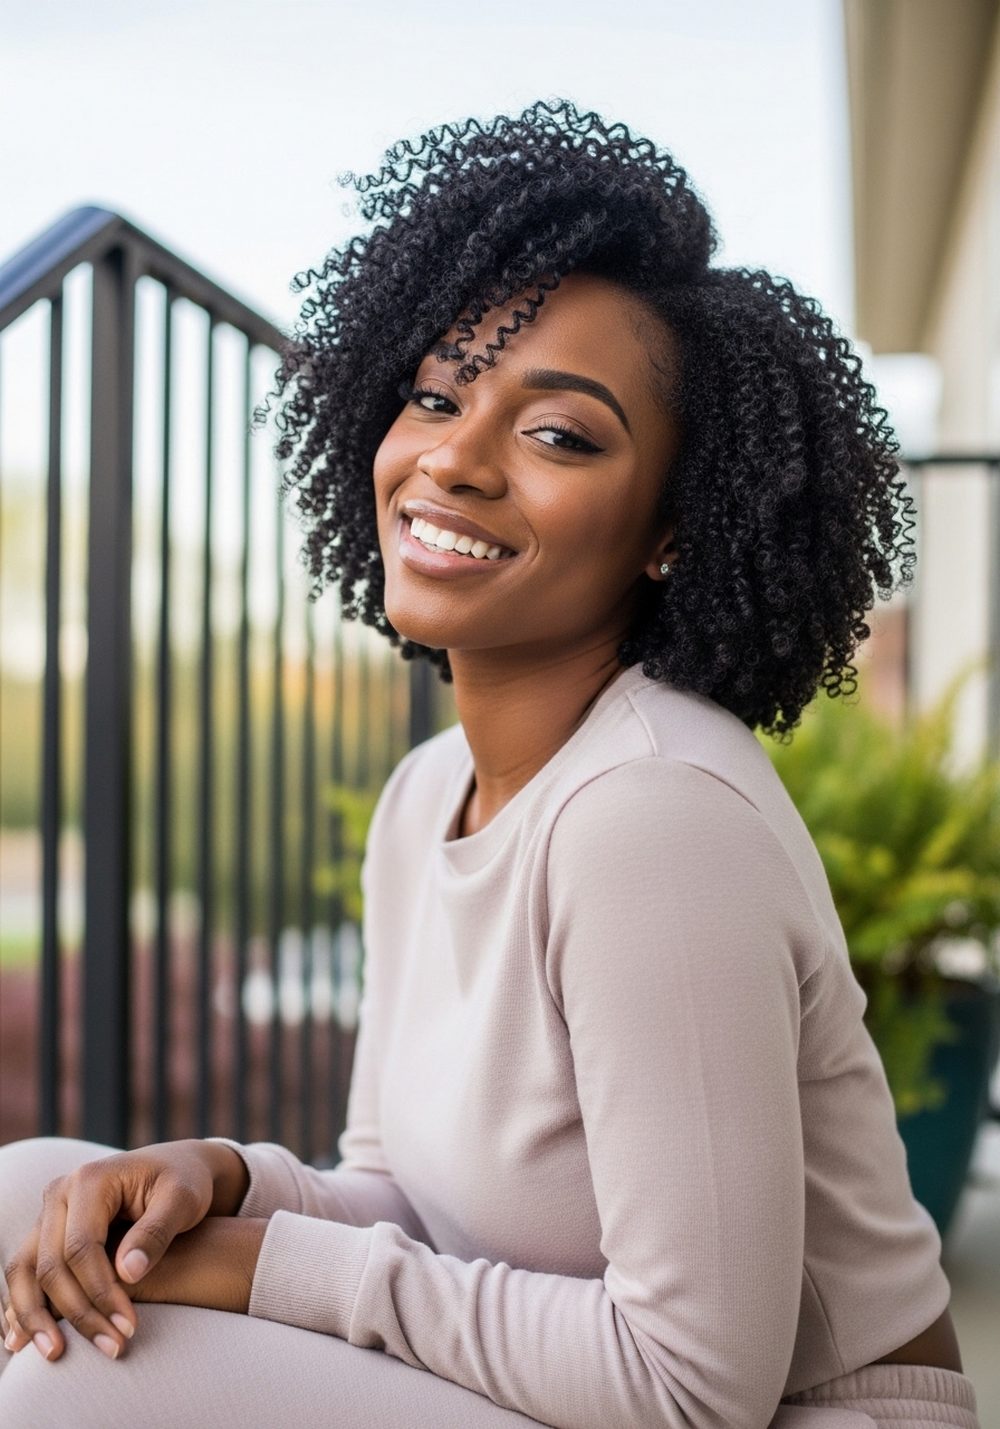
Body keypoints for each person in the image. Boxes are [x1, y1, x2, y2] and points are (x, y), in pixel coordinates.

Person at [0, 97, 983, 1429]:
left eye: (560, 433)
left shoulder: (654, 813)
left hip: (813, 1416)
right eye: (437, 393)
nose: (454, 458)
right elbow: (405, 1194)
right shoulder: (423, 803)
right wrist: (230, 1183)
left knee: (90, 1385)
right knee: (38, 1190)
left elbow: (693, 1383)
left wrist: (263, 1271)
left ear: (672, 533)